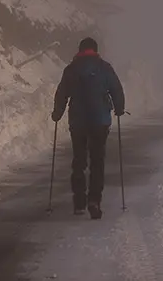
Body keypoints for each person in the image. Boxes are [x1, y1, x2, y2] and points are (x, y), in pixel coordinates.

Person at [52, 37, 126, 219]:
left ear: (80, 50)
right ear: (95, 50)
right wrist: (119, 108)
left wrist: (57, 112)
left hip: (78, 121)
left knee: (79, 160)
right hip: (100, 120)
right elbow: (116, 88)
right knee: (97, 161)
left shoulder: (71, 69)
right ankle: (94, 200)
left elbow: (62, 93)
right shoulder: (104, 67)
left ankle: (79, 202)